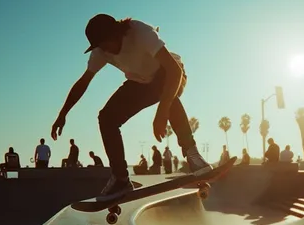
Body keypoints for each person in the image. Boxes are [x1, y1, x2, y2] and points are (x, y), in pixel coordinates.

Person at [50, 13, 210, 198]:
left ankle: (193, 154)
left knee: (167, 90)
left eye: (106, 43)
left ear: (117, 33)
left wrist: (161, 112)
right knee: (107, 118)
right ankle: (121, 179)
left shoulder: (140, 32)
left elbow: (174, 70)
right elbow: (83, 82)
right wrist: (63, 114)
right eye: (100, 46)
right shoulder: (101, 51)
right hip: (140, 84)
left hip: (169, 73)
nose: (105, 50)